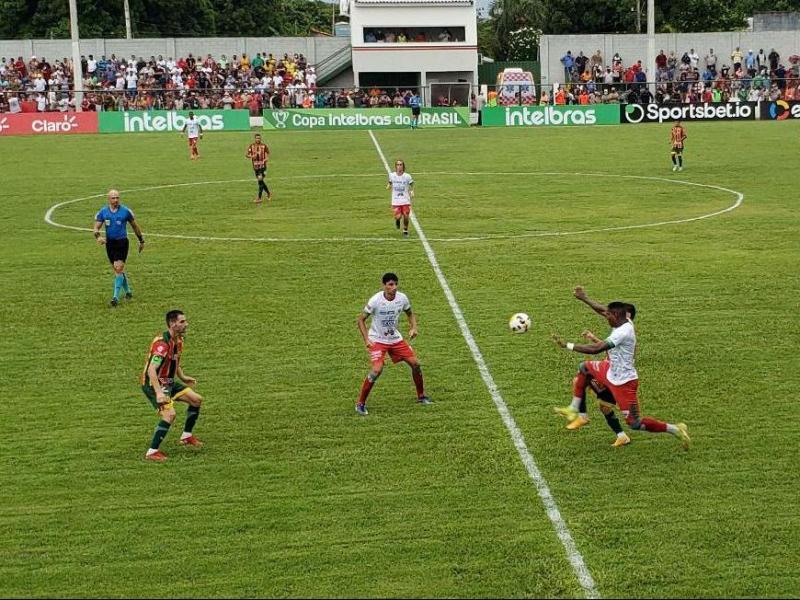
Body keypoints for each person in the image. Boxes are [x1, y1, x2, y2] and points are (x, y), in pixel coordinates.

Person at [552, 286, 690, 450]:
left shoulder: (622, 333)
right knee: (584, 368)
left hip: (624, 382)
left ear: (617, 316)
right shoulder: (623, 320)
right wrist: (584, 298)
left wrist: (567, 345)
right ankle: (575, 410)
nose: (605, 317)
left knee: (634, 423)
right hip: (609, 370)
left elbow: (596, 349)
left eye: (609, 315)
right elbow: (602, 310)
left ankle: (675, 429)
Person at [355, 273, 431, 415]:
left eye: (395, 284)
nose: (394, 287)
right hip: (377, 339)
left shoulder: (402, 298)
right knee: (377, 370)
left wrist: (413, 327)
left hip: (394, 339)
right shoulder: (375, 300)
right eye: (390, 285)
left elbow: (410, 313)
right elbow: (360, 320)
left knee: (415, 364)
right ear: (384, 286)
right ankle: (360, 403)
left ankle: (421, 396)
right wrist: (366, 339)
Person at [140, 310, 204, 462]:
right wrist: (159, 393)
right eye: (182, 322)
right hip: (153, 383)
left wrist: (182, 376)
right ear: (172, 324)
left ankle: (186, 437)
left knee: (196, 400)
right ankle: (152, 452)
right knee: (170, 415)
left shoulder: (178, 341)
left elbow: (175, 361)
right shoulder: (162, 344)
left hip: (167, 381)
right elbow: (151, 370)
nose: (186, 324)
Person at [93, 189, 144, 307]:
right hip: (110, 244)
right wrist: (98, 237)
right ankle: (128, 292)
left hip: (122, 243)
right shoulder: (103, 212)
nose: (116, 200)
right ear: (108, 199)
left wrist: (141, 240)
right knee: (117, 270)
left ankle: (115, 297)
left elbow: (135, 226)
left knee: (118, 268)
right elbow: (96, 228)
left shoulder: (126, 211)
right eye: (113, 198)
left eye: (117, 198)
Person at [387, 159, 414, 237]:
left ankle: (405, 230)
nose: (399, 166)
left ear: (403, 166)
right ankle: (397, 221)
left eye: (401, 165)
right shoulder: (392, 175)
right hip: (395, 200)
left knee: (406, 215)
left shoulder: (407, 176)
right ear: (395, 166)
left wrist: (412, 191)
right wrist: (389, 185)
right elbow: (390, 181)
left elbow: (411, 183)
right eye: (398, 165)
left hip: (405, 199)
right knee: (398, 217)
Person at [246, 133, 271, 204]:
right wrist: (251, 156)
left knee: (260, 180)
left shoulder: (264, 146)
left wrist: (266, 159)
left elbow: (267, 154)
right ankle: (268, 193)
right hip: (255, 167)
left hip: (263, 167)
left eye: (259, 138)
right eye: (257, 138)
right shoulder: (252, 146)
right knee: (261, 182)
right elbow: (247, 155)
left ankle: (259, 198)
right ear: (255, 139)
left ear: (261, 139)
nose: (258, 139)